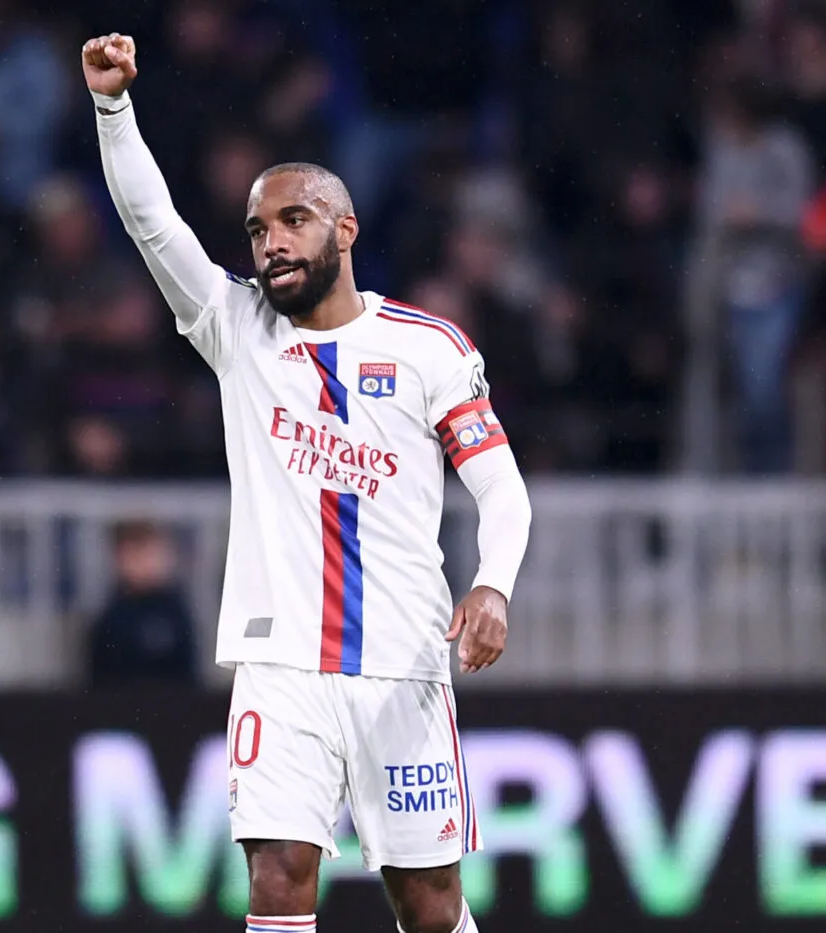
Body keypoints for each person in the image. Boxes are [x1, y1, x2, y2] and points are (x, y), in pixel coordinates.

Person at [81, 33, 532, 933]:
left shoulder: (427, 347)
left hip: (402, 659)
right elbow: (150, 220)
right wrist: (114, 108)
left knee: (429, 903)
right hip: (280, 659)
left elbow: (503, 489)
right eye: (257, 228)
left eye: (292, 221)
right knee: (279, 879)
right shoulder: (233, 326)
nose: (271, 242)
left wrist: (493, 584)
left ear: (345, 229)